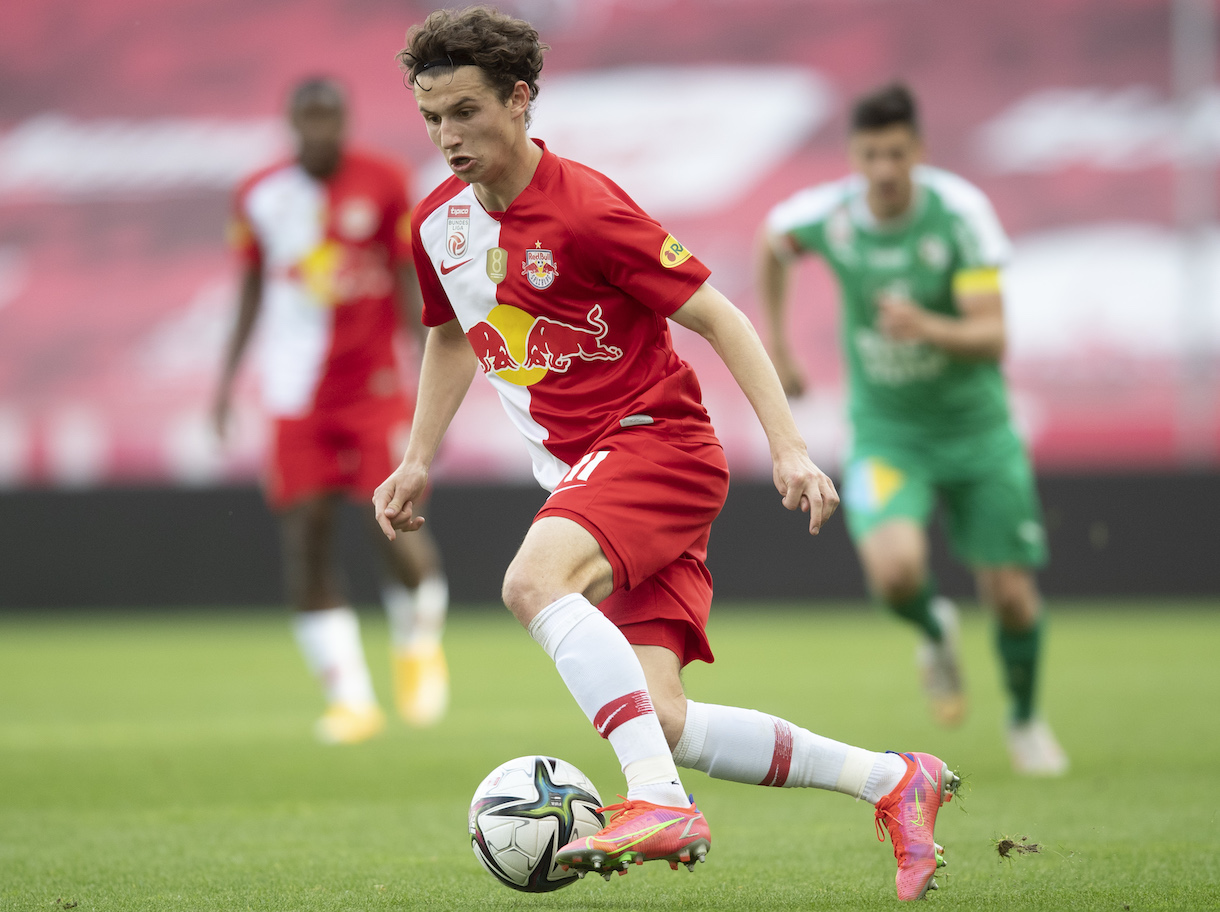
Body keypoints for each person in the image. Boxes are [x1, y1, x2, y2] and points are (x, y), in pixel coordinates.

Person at [376, 8, 958, 900]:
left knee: (532, 583)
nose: (447, 137)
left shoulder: (588, 208)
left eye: (464, 111)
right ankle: (891, 780)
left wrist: (792, 449)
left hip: (658, 446)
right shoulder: (439, 229)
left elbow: (719, 315)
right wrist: (418, 457)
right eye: (431, 118)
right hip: (593, 474)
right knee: (667, 719)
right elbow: (453, 334)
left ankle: (656, 801)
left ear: (521, 99)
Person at [757, 83, 1067, 776]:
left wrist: (924, 324)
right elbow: (771, 244)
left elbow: (993, 336)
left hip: (978, 433)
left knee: (1012, 597)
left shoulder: (959, 216)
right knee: (896, 573)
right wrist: (779, 345)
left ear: (919, 152)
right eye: (872, 155)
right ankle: (935, 630)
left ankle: (1023, 721)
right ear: (854, 156)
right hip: (888, 433)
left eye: (898, 154)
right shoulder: (830, 217)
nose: (886, 170)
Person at [216, 77, 449, 746]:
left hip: (371, 382)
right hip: (293, 393)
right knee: (306, 534)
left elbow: (407, 276)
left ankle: (418, 640)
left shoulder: (383, 181)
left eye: (329, 118)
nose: (319, 130)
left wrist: (426, 371)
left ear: (344, 120)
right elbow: (251, 287)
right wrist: (225, 383)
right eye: (307, 118)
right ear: (292, 122)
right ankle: (351, 700)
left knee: (391, 523)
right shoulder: (261, 194)